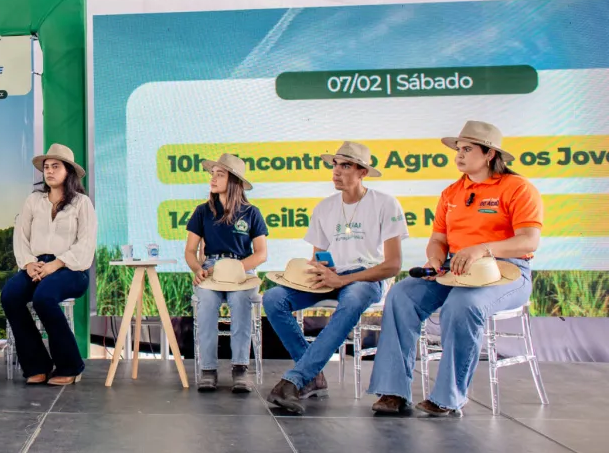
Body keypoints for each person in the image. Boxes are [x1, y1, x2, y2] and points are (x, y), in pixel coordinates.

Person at [369, 121, 542, 416]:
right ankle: (393, 391)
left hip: (507, 271)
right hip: (455, 269)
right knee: (401, 294)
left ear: (489, 154)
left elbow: (529, 240)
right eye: (458, 149)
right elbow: (438, 239)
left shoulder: (518, 188)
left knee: (462, 305)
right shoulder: (451, 192)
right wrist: (436, 259)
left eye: (467, 149)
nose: (459, 155)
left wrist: (482, 249)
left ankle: (447, 397)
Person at [264, 141, 408, 414]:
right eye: (334, 165)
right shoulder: (324, 208)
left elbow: (392, 265)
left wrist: (343, 281)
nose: (336, 171)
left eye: (345, 166)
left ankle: (295, 379)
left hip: (367, 278)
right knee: (273, 298)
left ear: (363, 171)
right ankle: (312, 376)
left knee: (353, 299)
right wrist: (320, 271)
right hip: (331, 277)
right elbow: (318, 256)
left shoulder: (386, 204)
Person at [1, 143, 97, 386]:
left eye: (56, 166)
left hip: (72, 269)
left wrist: (57, 264)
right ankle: (37, 365)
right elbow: (20, 237)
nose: (50, 171)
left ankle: (70, 366)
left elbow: (86, 244)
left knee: (44, 297)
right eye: (46, 167)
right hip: (36, 265)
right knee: (10, 295)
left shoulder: (81, 203)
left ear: (69, 171)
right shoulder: (33, 201)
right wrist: (28, 264)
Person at [184, 153, 268, 393]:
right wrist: (198, 269)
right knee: (207, 305)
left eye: (220, 174)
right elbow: (190, 251)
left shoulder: (251, 213)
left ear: (235, 181)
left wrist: (237, 268)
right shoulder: (202, 212)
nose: (213, 178)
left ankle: (240, 368)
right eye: (212, 174)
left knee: (241, 302)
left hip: (241, 268)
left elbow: (261, 253)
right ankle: (208, 370)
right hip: (211, 268)